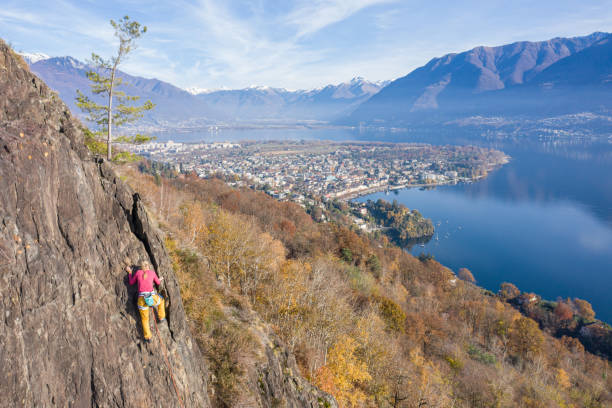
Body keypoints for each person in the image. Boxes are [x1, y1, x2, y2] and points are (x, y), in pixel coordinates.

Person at [126, 262, 166, 341]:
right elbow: (157, 282)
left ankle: (148, 337)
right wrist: (159, 279)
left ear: (141, 267)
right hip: (152, 297)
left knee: (145, 319)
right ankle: (161, 317)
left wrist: (130, 272)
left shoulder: (138, 273)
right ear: (148, 266)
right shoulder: (152, 273)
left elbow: (131, 282)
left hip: (141, 299)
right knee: (161, 301)